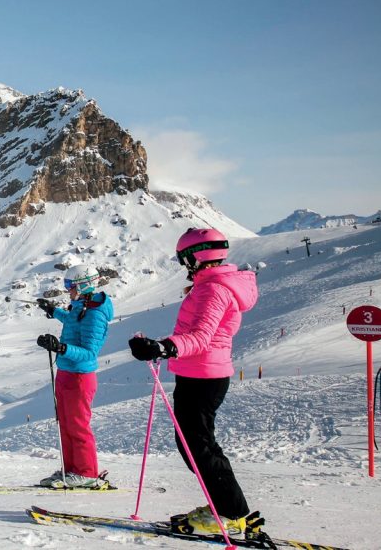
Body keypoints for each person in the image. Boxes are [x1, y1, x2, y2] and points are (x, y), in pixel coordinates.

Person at [128, 227, 258, 535]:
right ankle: (223, 506)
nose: (183, 265)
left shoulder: (213, 290)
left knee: (199, 447)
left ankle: (229, 512)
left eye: (183, 258)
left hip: (204, 376)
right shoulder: (210, 285)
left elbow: (200, 337)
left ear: (196, 257)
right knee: (195, 445)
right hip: (199, 373)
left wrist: (165, 347)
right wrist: (164, 347)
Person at [35, 264, 112, 489]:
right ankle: (71, 470)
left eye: (70, 286)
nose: (68, 290)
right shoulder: (81, 306)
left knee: (78, 425)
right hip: (66, 372)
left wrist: (60, 348)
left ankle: (87, 472)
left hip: (80, 376)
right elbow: (71, 321)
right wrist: (52, 311)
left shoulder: (95, 315)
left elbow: (90, 352)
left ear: (84, 286)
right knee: (65, 424)